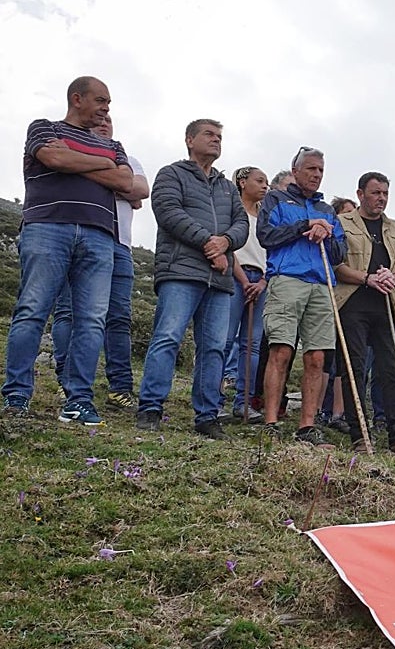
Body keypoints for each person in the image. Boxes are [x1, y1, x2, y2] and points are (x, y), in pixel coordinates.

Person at [3, 77, 133, 426]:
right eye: (101, 100)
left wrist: (75, 159)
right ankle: (16, 395)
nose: (107, 108)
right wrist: (101, 163)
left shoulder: (116, 146)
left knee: (92, 320)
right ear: (77, 98)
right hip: (47, 228)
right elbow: (52, 156)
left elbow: (126, 183)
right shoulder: (43, 128)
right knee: (32, 311)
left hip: (100, 237)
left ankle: (78, 400)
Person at [136, 119, 249, 438]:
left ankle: (207, 416)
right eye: (209, 135)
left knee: (214, 347)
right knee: (168, 337)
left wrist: (225, 243)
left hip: (219, 279)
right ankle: (150, 408)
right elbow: (168, 212)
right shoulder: (171, 173)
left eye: (220, 137)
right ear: (189, 140)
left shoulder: (227, 187)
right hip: (181, 271)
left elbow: (242, 224)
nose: (216, 141)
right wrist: (208, 243)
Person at [50, 112, 148, 413]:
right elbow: (127, 190)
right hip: (80, 236)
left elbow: (140, 191)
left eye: (109, 122)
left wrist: (87, 173)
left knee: (118, 317)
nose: (104, 124)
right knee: (70, 312)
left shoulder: (129, 158)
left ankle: (120, 387)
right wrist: (116, 180)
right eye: (98, 120)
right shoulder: (69, 149)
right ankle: (67, 378)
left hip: (120, 244)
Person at [257, 147, 347, 446]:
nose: (316, 175)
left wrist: (328, 233)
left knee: (317, 356)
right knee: (280, 350)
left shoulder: (328, 211)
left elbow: (339, 255)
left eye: (320, 170)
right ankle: (271, 420)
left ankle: (306, 424)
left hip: (322, 284)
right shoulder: (276, 199)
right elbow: (266, 236)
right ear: (295, 171)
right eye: (310, 169)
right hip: (287, 279)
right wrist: (304, 226)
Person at [332, 171, 395, 456]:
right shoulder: (342, 222)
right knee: (354, 368)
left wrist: (394, 278)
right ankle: (360, 435)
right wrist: (367, 277)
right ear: (360, 194)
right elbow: (335, 263)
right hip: (353, 302)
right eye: (375, 192)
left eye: (384, 193)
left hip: (387, 304)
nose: (381, 198)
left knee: (392, 369)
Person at [222, 167, 269, 421]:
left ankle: (243, 402)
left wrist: (262, 281)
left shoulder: (266, 217)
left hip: (261, 282)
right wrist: (243, 279)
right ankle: (216, 401)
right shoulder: (232, 211)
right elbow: (229, 248)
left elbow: (271, 252)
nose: (265, 186)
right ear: (242, 182)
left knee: (251, 345)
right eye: (259, 181)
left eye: (267, 182)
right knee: (225, 340)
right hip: (234, 276)